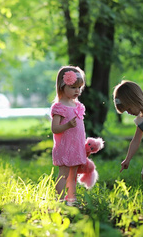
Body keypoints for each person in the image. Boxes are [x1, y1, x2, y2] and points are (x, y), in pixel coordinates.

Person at [50, 66, 87, 205]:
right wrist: (67, 126)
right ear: (62, 86)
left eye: (79, 87)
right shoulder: (59, 107)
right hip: (65, 146)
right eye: (73, 87)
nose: (77, 91)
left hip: (76, 146)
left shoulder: (77, 105)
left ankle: (72, 200)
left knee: (73, 175)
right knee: (64, 174)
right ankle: (59, 201)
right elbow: (55, 128)